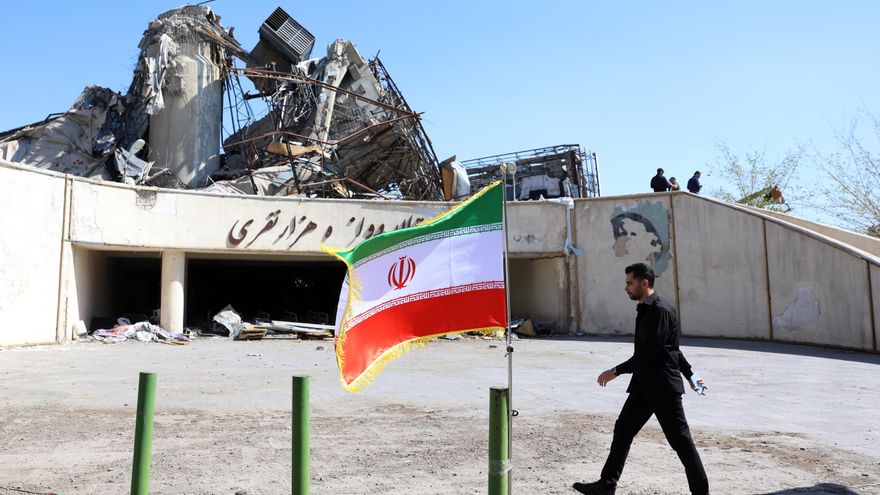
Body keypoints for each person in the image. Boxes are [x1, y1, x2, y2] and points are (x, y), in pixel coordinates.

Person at [572, 263, 709, 495]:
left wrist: (615, 371)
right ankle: (606, 485)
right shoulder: (645, 309)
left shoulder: (660, 311)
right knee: (623, 429)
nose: (626, 288)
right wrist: (691, 376)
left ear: (644, 283)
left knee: (681, 443)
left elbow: (652, 353)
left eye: (629, 283)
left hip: (663, 389)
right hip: (644, 386)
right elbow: (670, 350)